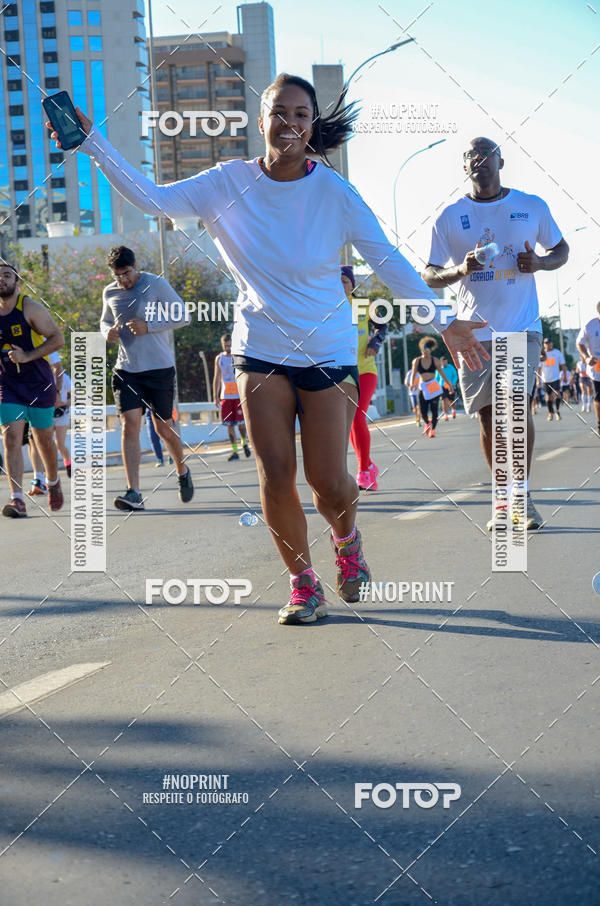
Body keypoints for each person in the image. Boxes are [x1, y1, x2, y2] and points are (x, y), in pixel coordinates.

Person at [48, 75, 488, 624]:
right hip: (260, 347)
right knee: (275, 471)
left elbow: (389, 261)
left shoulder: (335, 193)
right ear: (261, 122)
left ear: (312, 125)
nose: (290, 123)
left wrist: (444, 320)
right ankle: (303, 583)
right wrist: (93, 144)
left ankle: (346, 541)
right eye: (279, 112)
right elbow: (154, 198)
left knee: (328, 482)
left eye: (302, 114)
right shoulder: (225, 182)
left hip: (326, 351)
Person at [422, 136, 569, 530]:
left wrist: (539, 262)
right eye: (472, 155)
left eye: (487, 154)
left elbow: (561, 249)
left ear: (500, 161)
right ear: (464, 165)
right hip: (474, 335)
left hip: (522, 326)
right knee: (489, 417)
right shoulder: (450, 217)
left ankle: (521, 495)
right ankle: (503, 500)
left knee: (514, 408)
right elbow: (430, 274)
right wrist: (461, 269)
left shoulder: (530, 206)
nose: (480, 161)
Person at [99, 246, 194, 511]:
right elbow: (104, 321)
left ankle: (182, 470)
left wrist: (149, 326)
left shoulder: (156, 284)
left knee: (163, 428)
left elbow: (183, 316)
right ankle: (134, 492)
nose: (123, 280)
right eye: (118, 275)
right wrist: (107, 333)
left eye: (126, 273)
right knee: (130, 425)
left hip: (158, 369)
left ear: (135, 266)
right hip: (126, 369)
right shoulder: (110, 291)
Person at [0, 262, 64, 517]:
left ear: (17, 282)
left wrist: (27, 356)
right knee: (12, 437)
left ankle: (52, 481)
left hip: (39, 382)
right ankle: (17, 499)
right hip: (8, 384)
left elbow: (58, 338)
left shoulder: (30, 308)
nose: (1, 280)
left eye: (6, 276)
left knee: (44, 439)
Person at [342, 265, 386, 491]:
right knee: (350, 421)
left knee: (358, 416)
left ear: (352, 285)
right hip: (342, 372)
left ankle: (363, 471)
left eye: (345, 282)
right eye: (336, 282)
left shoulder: (362, 304)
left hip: (366, 370)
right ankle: (368, 467)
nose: (340, 286)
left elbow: (382, 325)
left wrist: (376, 342)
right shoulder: (328, 308)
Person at [212, 333, 251, 461]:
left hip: (238, 395)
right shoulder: (219, 358)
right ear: (222, 345)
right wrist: (215, 395)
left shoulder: (237, 356)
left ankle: (244, 443)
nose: (227, 347)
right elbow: (217, 377)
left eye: (229, 345)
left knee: (241, 424)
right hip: (226, 396)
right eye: (225, 345)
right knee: (229, 425)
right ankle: (234, 451)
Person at [409, 337, 454, 438]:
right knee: (423, 410)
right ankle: (427, 422)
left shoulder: (435, 361)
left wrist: (450, 385)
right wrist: (413, 384)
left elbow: (442, 374)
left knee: (434, 410)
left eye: (428, 350)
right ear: (421, 350)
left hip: (433, 386)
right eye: (424, 350)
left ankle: (433, 430)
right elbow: (413, 373)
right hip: (423, 387)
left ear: (430, 350)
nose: (426, 352)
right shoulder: (417, 361)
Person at [576, 301, 600, 435]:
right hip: (597, 365)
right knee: (599, 396)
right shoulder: (590, 326)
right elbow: (579, 343)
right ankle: (599, 423)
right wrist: (586, 357)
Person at [537, 337, 567, 422]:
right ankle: (550, 413)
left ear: (552, 344)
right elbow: (539, 369)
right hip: (546, 379)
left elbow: (563, 365)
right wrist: (538, 380)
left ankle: (557, 410)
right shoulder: (542, 355)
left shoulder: (557, 353)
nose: (548, 344)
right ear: (544, 344)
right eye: (546, 343)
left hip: (555, 378)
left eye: (549, 343)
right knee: (548, 397)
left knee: (557, 394)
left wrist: (565, 376)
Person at [438, 354, 458, 420]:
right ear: (441, 362)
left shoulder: (451, 367)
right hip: (442, 386)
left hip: (451, 386)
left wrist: (453, 384)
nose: (445, 363)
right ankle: (446, 415)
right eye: (443, 362)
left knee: (451, 400)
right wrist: (438, 386)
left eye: (446, 362)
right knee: (444, 400)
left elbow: (455, 376)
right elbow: (436, 378)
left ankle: (453, 411)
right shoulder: (439, 369)